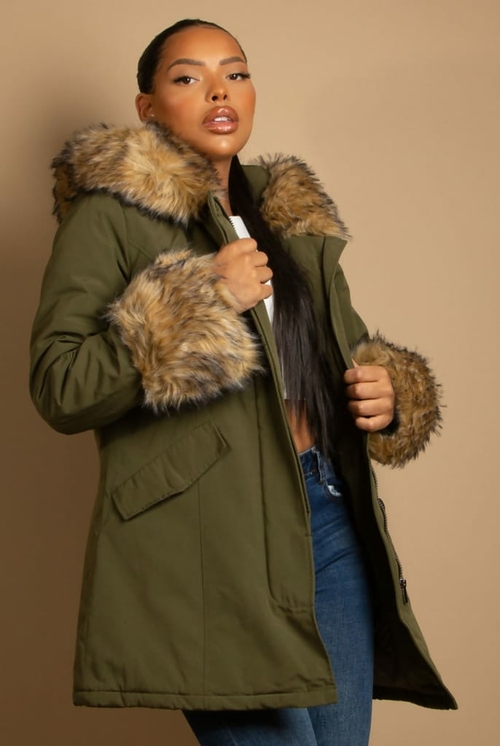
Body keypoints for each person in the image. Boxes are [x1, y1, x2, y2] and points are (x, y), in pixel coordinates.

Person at [29, 18, 456, 746]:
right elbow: (60, 384)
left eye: (235, 73)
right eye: (188, 77)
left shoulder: (288, 216)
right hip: (209, 541)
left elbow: (344, 352)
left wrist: (389, 395)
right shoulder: (110, 215)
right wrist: (199, 299)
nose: (219, 91)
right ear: (147, 107)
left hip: (326, 515)